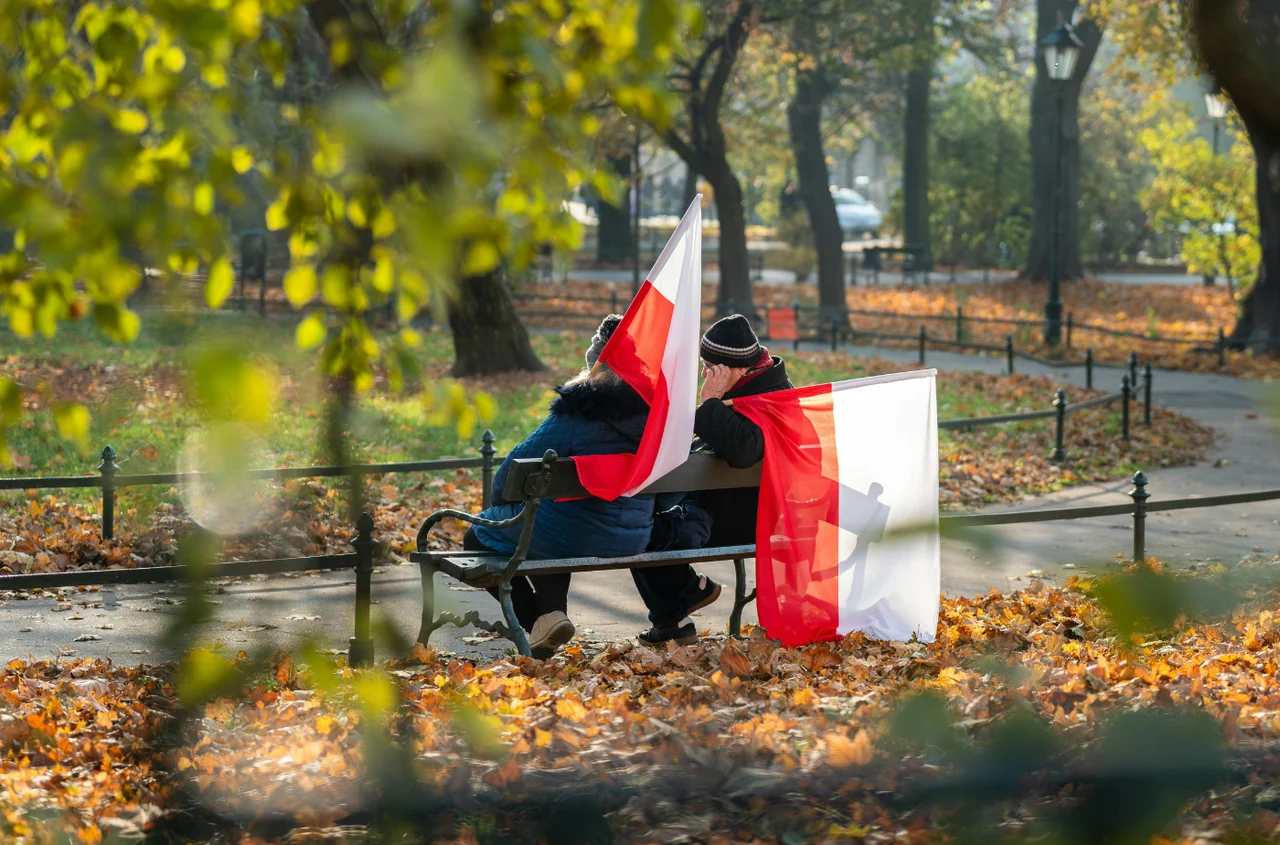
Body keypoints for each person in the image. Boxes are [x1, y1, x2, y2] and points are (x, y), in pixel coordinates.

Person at [466, 314, 655, 658]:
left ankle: (537, 621)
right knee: (553, 516)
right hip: (636, 535)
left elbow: (516, 469)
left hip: (573, 533)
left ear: (595, 363)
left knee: (477, 536)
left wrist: (500, 505)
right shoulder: (655, 412)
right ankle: (548, 621)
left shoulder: (578, 409)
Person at [632, 313, 794, 646]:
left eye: (711, 368)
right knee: (640, 527)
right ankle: (676, 611)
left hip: (750, 519)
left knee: (639, 533)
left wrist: (710, 400)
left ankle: (678, 606)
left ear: (738, 368)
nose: (706, 375)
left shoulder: (772, 399)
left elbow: (744, 450)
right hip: (728, 511)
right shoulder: (756, 388)